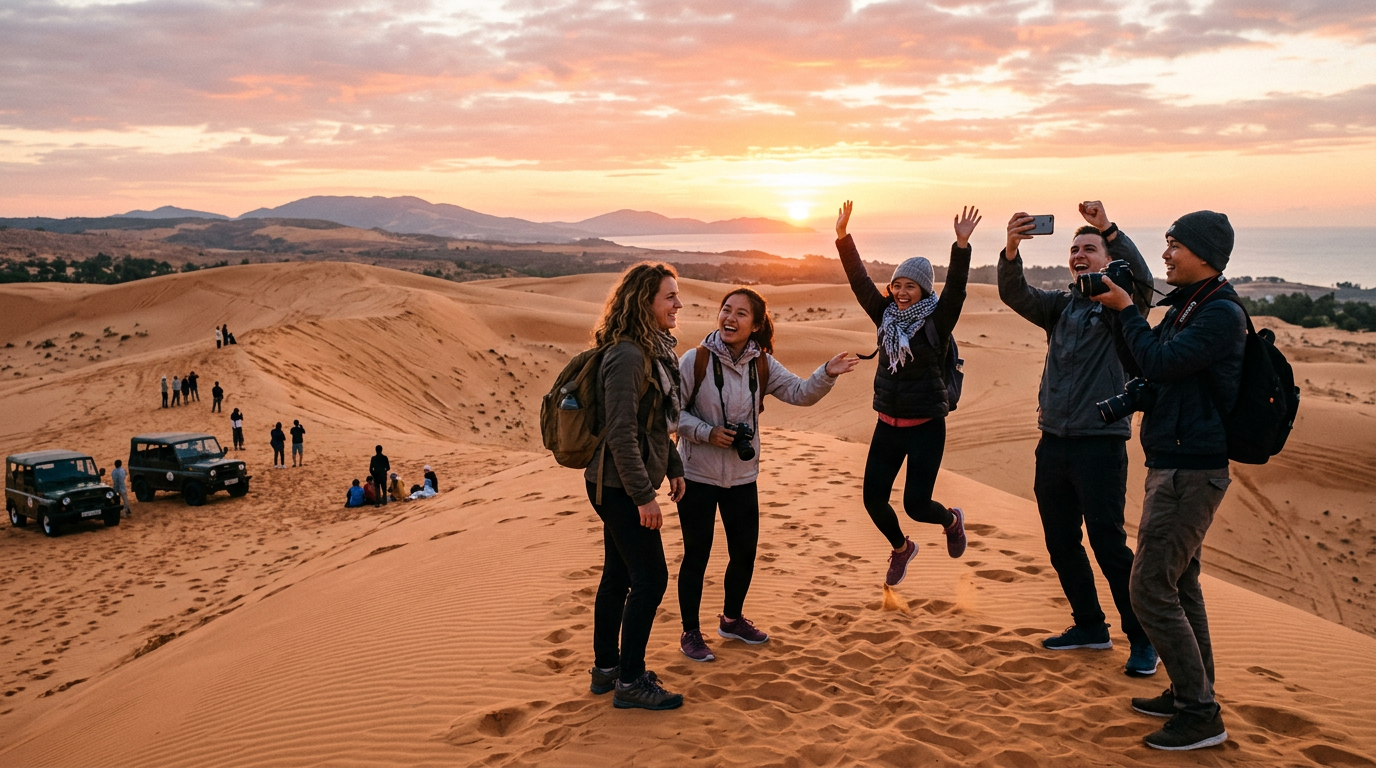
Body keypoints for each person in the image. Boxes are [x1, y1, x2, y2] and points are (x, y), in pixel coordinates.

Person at [1090, 211, 1245, 751]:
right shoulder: (1189, 306)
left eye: (1175, 245)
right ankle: (1190, 691)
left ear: (1204, 253)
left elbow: (1158, 362)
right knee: (1180, 583)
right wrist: (1117, 316)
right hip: (1175, 461)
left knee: (1149, 585)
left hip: (1192, 468)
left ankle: (1201, 713)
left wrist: (1128, 309)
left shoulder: (1219, 313)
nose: (1166, 254)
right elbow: (1142, 359)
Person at [998, 201, 1159, 676]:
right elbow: (1016, 295)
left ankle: (1143, 638)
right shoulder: (1060, 307)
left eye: (1089, 248)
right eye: (1074, 249)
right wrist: (1011, 249)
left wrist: (1109, 227)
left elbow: (1144, 281)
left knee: (1109, 545)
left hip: (1100, 442)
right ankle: (1089, 625)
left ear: (1109, 259)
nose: (1078, 255)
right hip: (1053, 442)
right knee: (1060, 540)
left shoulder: (1122, 306)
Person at [675, 287, 858, 662]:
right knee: (698, 554)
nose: (730, 318)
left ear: (756, 325)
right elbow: (671, 414)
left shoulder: (762, 365)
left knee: (744, 553)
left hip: (742, 475)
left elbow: (800, 393)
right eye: (727, 310)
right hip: (697, 473)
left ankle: (731, 619)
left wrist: (826, 373)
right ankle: (691, 632)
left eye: (741, 314)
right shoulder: (694, 361)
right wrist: (707, 432)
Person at [835, 201, 979, 587]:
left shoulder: (938, 320)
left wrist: (961, 246)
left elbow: (958, 290)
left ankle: (951, 520)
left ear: (923, 290)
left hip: (926, 426)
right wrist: (843, 236)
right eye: (896, 285)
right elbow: (859, 281)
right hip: (888, 424)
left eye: (909, 286)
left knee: (916, 505)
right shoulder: (884, 315)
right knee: (872, 500)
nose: (900, 292)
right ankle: (902, 549)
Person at [583, 262, 686, 711]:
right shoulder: (627, 355)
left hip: (621, 480)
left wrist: (675, 464)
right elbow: (622, 432)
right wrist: (644, 496)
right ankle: (629, 680)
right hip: (619, 484)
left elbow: (655, 424)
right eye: (669, 297)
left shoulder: (651, 350)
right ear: (645, 302)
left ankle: (607, 668)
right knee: (651, 577)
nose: (678, 304)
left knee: (618, 575)